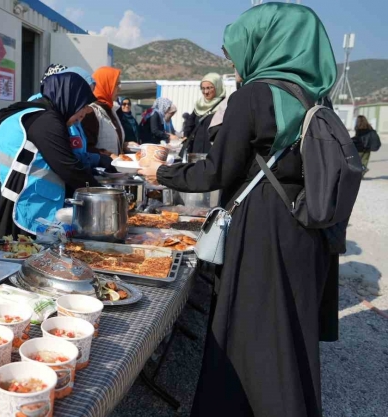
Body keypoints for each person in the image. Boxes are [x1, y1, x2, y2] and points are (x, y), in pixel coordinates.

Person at [139, 4, 338, 416]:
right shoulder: (313, 97)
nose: (233, 63)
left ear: (264, 43)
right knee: (288, 335)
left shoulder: (255, 95)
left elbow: (215, 171)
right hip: (303, 229)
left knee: (247, 335)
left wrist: (160, 172)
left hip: (262, 231)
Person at [0, 72, 99, 237]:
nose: (85, 113)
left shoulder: (34, 112)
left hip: (2, 199)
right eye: (83, 105)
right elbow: (68, 167)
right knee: (16, 257)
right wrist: (100, 193)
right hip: (17, 208)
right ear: (70, 98)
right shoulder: (46, 121)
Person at [82, 66, 124, 156]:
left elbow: (110, 142)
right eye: (116, 84)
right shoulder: (90, 112)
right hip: (100, 169)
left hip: (114, 168)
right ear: (105, 85)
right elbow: (87, 148)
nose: (119, 89)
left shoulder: (111, 110)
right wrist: (108, 155)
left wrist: (125, 145)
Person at [183, 72, 226, 154]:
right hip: (196, 151)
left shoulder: (224, 106)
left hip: (214, 152)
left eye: (209, 88)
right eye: (203, 88)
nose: (206, 92)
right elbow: (189, 125)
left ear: (218, 87)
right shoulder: (199, 106)